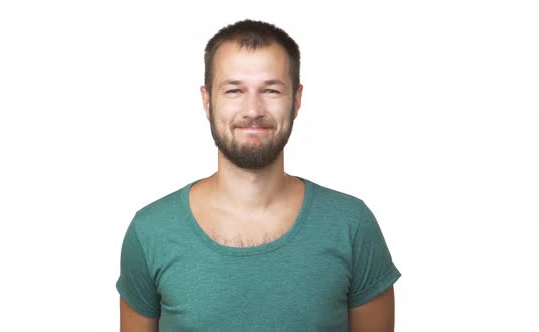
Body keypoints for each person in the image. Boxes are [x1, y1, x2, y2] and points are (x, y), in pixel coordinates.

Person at [116, 19, 401, 332]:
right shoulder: (150, 231)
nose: (253, 110)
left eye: (271, 90)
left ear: (297, 100)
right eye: (234, 90)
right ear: (207, 101)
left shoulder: (352, 224)